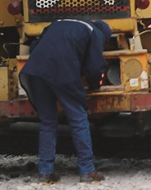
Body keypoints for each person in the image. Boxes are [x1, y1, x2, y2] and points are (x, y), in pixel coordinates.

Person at [19, 19, 111, 184]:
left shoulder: (60, 23)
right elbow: (95, 67)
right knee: (78, 119)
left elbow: (36, 45)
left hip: (36, 71)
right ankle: (87, 170)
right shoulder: (95, 32)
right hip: (62, 71)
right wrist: (94, 85)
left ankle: (46, 173)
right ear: (104, 34)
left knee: (48, 121)